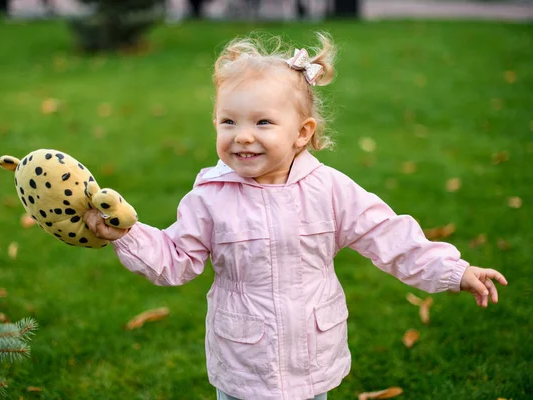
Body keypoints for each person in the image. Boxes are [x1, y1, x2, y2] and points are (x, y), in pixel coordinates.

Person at [83, 32, 508, 400]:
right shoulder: (209, 197)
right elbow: (175, 260)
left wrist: (453, 270)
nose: (242, 136)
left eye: (263, 122)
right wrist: (125, 233)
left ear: (302, 132)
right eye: (228, 121)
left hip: (312, 357)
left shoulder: (329, 190)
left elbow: (388, 234)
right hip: (243, 362)